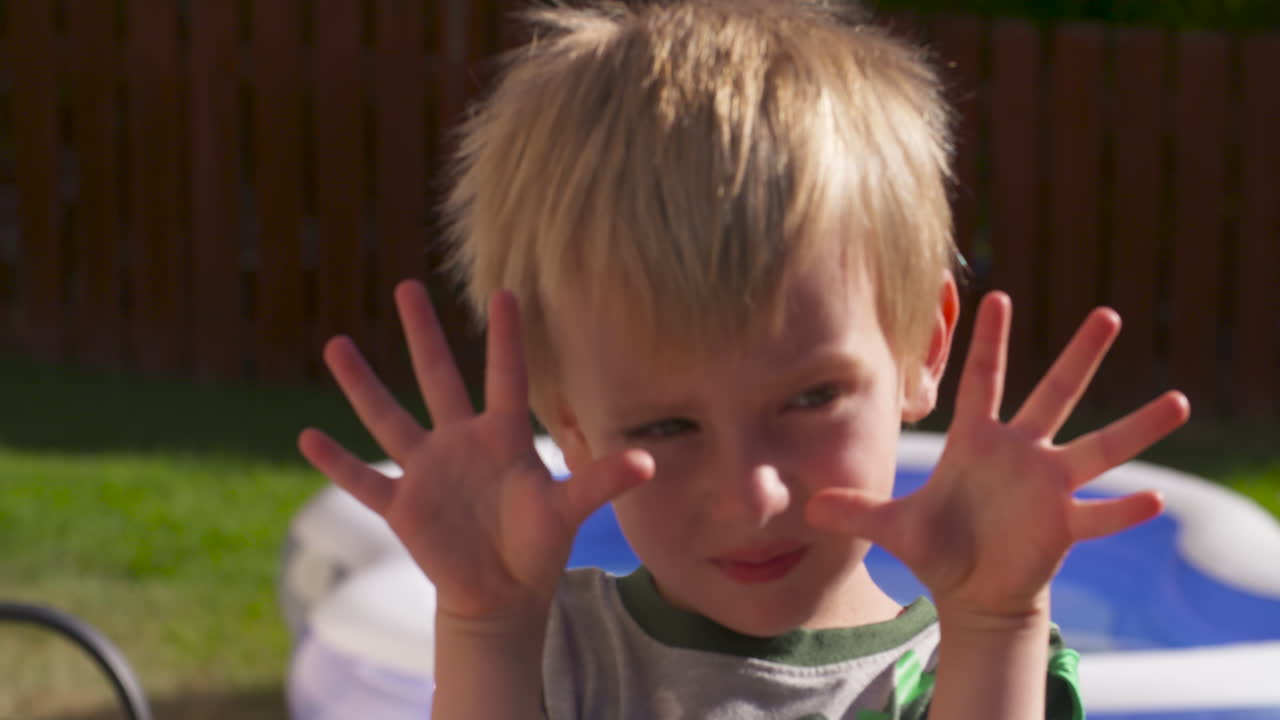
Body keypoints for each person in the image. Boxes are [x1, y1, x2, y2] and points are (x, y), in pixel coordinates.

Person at [297, 1, 1191, 717]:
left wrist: (998, 623)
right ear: (568, 419)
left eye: (810, 399)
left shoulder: (958, 678)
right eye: (668, 425)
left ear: (921, 346)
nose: (752, 493)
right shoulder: (549, 654)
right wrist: (487, 625)